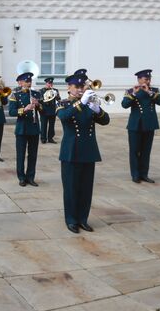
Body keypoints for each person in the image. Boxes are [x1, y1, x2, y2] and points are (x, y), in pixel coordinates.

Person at [57, 72, 110, 234]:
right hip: (71, 152)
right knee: (71, 188)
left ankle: (83, 219)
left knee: (86, 188)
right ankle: (71, 219)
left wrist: (97, 109)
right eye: (77, 87)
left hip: (88, 150)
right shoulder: (63, 103)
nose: (80, 89)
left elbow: (105, 121)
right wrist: (81, 102)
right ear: (69, 87)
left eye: (82, 87)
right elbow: (64, 117)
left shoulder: (90, 103)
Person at [121, 69, 160, 183]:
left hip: (149, 124)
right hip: (135, 125)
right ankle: (135, 174)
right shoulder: (131, 90)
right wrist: (134, 94)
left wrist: (149, 92)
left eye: (149, 79)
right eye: (146, 79)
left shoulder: (153, 91)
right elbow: (124, 105)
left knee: (146, 151)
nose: (148, 81)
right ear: (139, 79)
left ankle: (144, 174)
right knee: (135, 151)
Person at [8, 72, 41, 187]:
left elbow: (44, 111)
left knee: (33, 155)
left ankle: (30, 177)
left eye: (30, 81)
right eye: (26, 81)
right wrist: (24, 109)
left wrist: (38, 105)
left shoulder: (36, 94)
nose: (29, 83)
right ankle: (21, 177)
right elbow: (12, 112)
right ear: (20, 83)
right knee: (20, 154)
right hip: (22, 129)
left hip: (34, 128)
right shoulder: (15, 95)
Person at [39, 77, 60, 143]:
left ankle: (50, 138)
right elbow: (39, 100)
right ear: (46, 83)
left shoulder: (55, 90)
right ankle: (43, 138)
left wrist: (56, 95)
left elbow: (58, 99)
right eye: (49, 83)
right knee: (43, 125)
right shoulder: (41, 90)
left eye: (51, 83)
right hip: (44, 110)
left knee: (51, 125)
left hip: (52, 110)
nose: (50, 84)